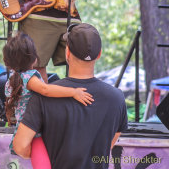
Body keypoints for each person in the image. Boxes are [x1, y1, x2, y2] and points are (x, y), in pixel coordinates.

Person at [13, 23, 128, 169]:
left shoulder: (44, 95)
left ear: (67, 53)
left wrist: (43, 155)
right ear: (99, 54)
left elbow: (20, 146)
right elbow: (110, 143)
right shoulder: (117, 98)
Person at [3, 32, 93, 168]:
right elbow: (46, 90)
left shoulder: (12, 80)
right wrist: (73, 92)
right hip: (34, 128)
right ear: (34, 58)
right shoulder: (30, 77)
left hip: (24, 127)